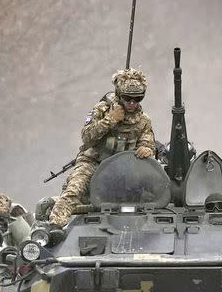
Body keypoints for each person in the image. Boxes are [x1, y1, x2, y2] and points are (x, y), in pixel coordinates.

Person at [48, 68, 155, 227]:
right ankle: (54, 227)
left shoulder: (143, 120)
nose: (132, 103)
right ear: (119, 94)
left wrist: (147, 149)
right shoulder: (102, 110)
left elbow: (147, 142)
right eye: (127, 98)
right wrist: (110, 120)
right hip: (93, 161)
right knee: (74, 189)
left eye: (137, 98)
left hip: (124, 167)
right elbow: (86, 137)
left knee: (145, 195)